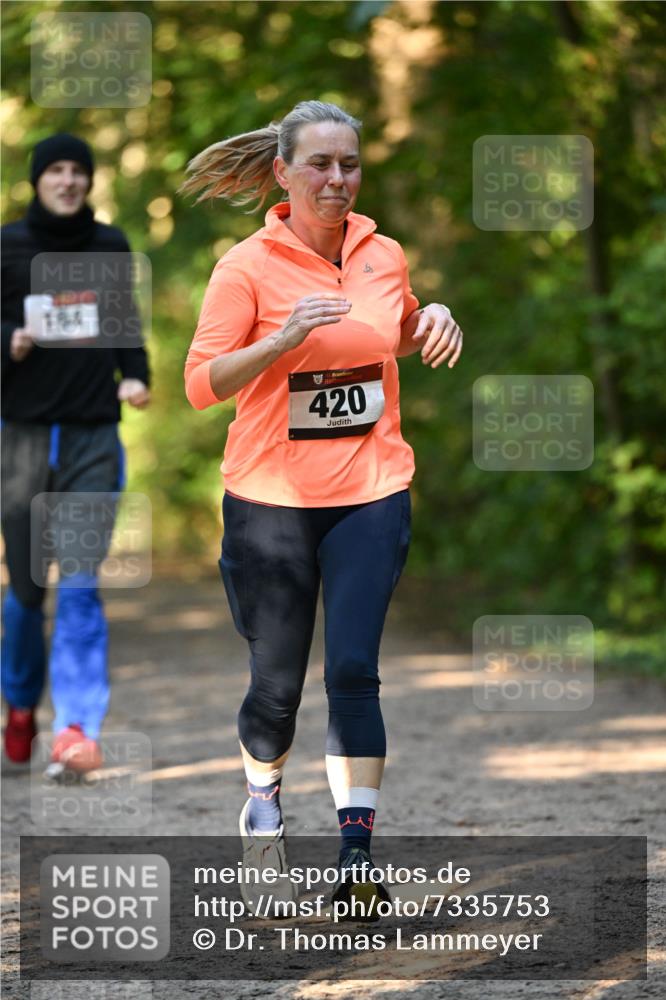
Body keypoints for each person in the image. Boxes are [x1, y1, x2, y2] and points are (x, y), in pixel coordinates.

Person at [182, 101, 462, 914]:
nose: (336, 180)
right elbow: (202, 385)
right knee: (275, 688)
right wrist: (280, 339)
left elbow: (391, 333)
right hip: (270, 500)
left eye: (348, 165)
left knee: (352, 671)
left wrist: (429, 318)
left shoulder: (384, 253)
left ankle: (354, 855)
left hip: (372, 488)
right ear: (282, 172)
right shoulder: (245, 268)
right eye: (319, 165)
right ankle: (263, 804)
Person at [1, 133, 151, 774]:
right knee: (29, 591)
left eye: (78, 171)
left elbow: (122, 319)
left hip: (93, 432)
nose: (68, 181)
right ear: (38, 180)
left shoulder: (109, 244)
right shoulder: (6, 246)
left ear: (90, 181)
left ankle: (76, 728)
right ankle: (18, 702)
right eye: (56, 170)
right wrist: (8, 338)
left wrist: (137, 373)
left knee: (83, 581)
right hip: (23, 436)